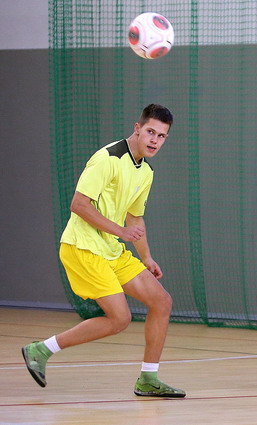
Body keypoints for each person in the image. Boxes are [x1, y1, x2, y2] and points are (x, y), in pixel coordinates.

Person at [22, 104, 185, 398]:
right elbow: (79, 204)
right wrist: (121, 232)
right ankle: (41, 349)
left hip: (111, 249)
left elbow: (135, 217)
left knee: (161, 302)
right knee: (119, 319)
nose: (154, 140)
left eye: (161, 136)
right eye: (150, 132)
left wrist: (146, 257)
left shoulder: (146, 172)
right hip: (83, 247)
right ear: (137, 128)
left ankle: (148, 379)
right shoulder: (107, 158)